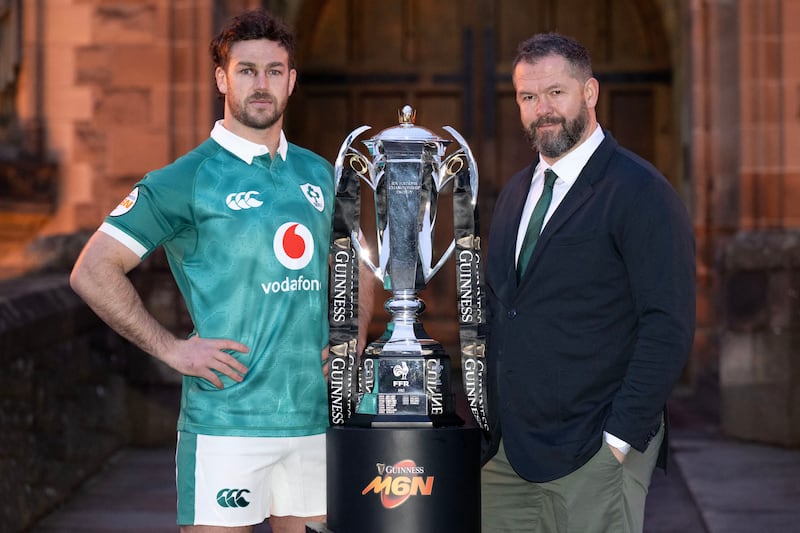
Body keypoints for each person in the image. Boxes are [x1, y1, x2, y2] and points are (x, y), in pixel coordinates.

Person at [70, 9, 372, 533]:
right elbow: (92, 270)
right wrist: (172, 349)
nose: (261, 84)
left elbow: (362, 262)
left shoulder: (321, 173)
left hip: (315, 418)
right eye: (246, 70)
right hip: (226, 425)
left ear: (291, 81)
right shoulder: (184, 178)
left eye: (274, 71)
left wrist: (354, 334)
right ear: (221, 79)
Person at [481, 32, 696, 533]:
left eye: (555, 92)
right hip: (508, 458)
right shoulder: (515, 193)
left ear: (590, 92)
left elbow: (667, 325)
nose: (542, 110)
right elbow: (504, 310)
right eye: (528, 97)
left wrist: (618, 441)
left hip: (594, 453)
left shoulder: (641, 192)